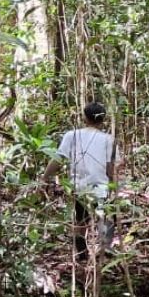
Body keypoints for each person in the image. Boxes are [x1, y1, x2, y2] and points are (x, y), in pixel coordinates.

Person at [43, 101, 116, 259]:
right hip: (100, 185)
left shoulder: (72, 135)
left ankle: (82, 253)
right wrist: (114, 184)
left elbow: (58, 159)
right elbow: (111, 167)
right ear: (103, 120)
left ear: (85, 118)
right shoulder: (108, 139)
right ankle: (105, 249)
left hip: (79, 185)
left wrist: (44, 178)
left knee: (81, 219)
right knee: (106, 216)